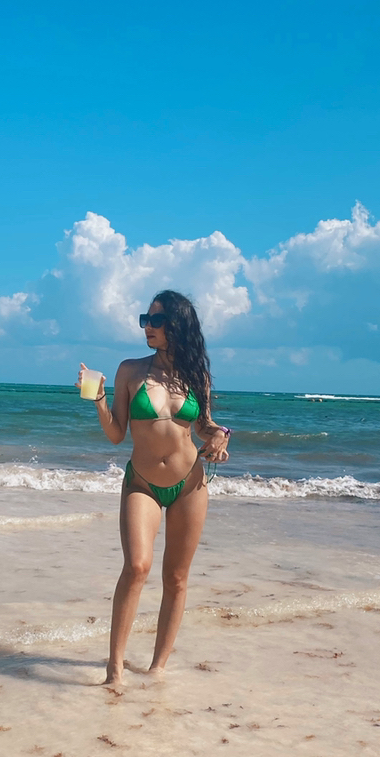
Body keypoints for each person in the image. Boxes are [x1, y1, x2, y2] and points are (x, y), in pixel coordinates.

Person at [77, 290, 231, 685]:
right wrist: (99, 399)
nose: (148, 326)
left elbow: (204, 426)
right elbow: (117, 434)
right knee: (137, 567)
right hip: (142, 483)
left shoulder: (196, 376)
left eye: (156, 320)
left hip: (190, 484)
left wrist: (220, 436)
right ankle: (114, 669)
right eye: (145, 319)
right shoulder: (130, 371)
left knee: (176, 578)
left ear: (177, 325)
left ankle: (157, 669)